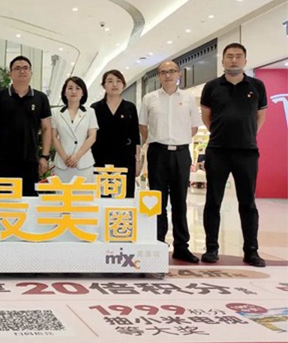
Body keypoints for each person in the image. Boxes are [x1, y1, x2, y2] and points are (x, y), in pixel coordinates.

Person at [200, 43, 267, 267]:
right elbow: (206, 115)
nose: (234, 60)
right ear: (223, 61)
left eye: (238, 56)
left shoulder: (257, 86)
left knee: (248, 203)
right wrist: (219, 133)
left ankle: (251, 251)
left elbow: (260, 116)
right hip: (217, 151)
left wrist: (248, 135)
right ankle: (211, 248)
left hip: (247, 152)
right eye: (229, 56)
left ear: (245, 61)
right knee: (213, 201)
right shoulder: (211, 86)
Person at [139, 60, 201, 264]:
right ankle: (158, 243)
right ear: (158, 76)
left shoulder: (188, 98)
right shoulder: (149, 99)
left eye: (172, 71)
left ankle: (181, 246)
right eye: (164, 72)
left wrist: (179, 140)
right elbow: (143, 127)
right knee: (157, 201)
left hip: (181, 154)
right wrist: (159, 140)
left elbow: (194, 127)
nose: (168, 75)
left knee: (180, 201)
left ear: (179, 74)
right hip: (158, 153)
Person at [0, 56, 52, 196]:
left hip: (30, 160)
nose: (22, 71)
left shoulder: (41, 98)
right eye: (17, 68)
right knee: (4, 200)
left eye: (25, 68)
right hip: (4, 160)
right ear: (10, 73)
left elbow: (46, 129)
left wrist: (44, 156)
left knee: (29, 200)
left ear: (31, 72)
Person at [91, 70, 141, 198]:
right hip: (100, 157)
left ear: (123, 84)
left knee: (125, 195)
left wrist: (137, 160)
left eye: (118, 81)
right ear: (104, 85)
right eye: (110, 81)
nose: (114, 84)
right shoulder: (95, 108)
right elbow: (90, 136)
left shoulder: (130, 107)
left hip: (125, 157)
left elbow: (135, 136)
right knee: (102, 195)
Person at [52, 77, 98, 183]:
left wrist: (76, 157)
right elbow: (53, 137)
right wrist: (65, 158)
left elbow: (92, 136)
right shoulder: (55, 113)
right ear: (64, 92)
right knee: (62, 192)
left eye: (77, 88)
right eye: (70, 88)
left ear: (83, 93)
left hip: (84, 162)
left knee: (84, 193)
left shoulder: (90, 112)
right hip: (62, 163)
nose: (73, 91)